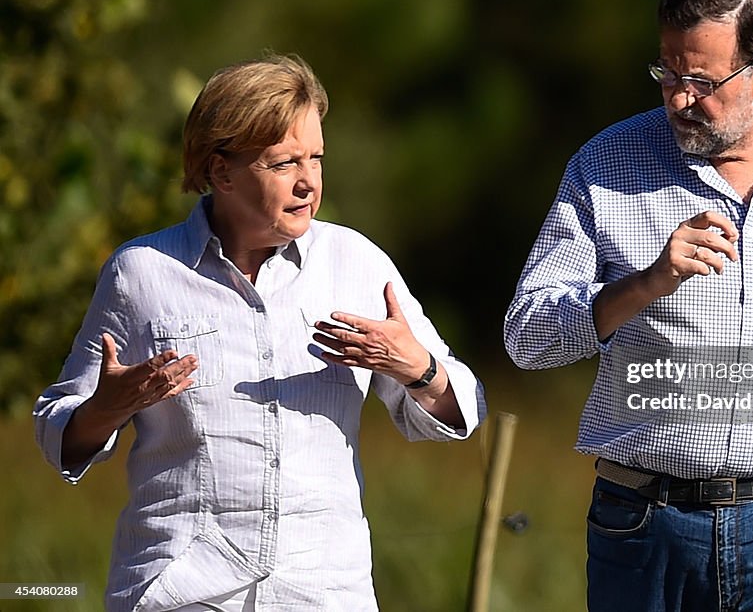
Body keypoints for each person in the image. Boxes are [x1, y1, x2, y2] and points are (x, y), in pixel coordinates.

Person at [34, 54, 486, 611]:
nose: (307, 182)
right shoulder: (142, 272)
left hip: (323, 592)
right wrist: (107, 407)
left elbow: (462, 413)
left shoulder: (358, 264)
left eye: (316, 159)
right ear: (221, 171)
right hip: (181, 590)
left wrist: (418, 368)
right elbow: (59, 437)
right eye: (283, 163)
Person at [504, 0, 753, 611]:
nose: (679, 99)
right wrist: (647, 283)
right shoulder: (605, 165)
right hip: (645, 527)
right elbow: (527, 340)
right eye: (667, 74)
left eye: (702, 82)